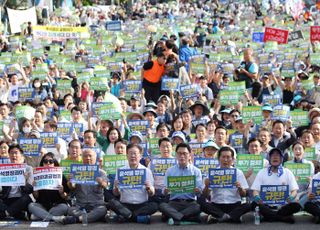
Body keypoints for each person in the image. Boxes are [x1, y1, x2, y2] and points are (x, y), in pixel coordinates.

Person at [107, 144, 158, 224]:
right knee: (111, 203)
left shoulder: (146, 171)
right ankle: (137, 218)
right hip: (125, 205)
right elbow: (115, 193)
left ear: (140, 156)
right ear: (127, 155)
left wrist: (149, 188)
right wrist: (116, 188)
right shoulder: (121, 171)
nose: (132, 156)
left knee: (154, 206)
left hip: (142, 205)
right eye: (130, 153)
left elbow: (152, 193)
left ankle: (127, 217)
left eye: (135, 153)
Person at [201, 146, 251, 224]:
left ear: (233, 159)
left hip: (234, 204)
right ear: (219, 159)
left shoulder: (238, 172)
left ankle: (220, 217)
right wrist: (207, 186)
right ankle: (230, 217)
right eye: (223, 157)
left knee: (247, 205)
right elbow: (205, 195)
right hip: (217, 204)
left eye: (228, 157)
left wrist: (240, 187)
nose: (225, 160)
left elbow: (243, 195)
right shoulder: (213, 173)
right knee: (202, 204)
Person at [251, 148, 301, 223]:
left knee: (297, 206)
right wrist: (258, 198)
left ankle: (269, 217)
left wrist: (291, 197)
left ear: (281, 159)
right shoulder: (262, 172)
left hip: (283, 206)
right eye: (272, 155)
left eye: (277, 155)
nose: (275, 157)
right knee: (254, 204)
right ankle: (282, 218)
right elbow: (255, 190)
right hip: (266, 205)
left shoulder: (287, 172)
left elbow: (294, 190)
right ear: (269, 158)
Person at [159, 143, 203, 225]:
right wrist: (165, 190)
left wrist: (197, 190)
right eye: (179, 153)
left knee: (199, 207)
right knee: (162, 206)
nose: (182, 156)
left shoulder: (196, 171)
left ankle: (174, 217)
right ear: (176, 155)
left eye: (185, 153)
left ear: (189, 155)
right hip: (174, 203)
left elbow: (200, 193)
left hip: (190, 203)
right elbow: (163, 191)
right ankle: (185, 218)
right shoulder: (170, 170)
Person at [63, 149, 108, 224]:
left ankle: (78, 219)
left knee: (103, 209)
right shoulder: (76, 171)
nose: (88, 158)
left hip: (96, 205)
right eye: (85, 156)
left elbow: (105, 186)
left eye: (90, 156)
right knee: (70, 210)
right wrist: (71, 182)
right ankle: (92, 217)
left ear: (95, 157)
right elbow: (72, 187)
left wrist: (101, 182)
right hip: (80, 205)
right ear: (82, 158)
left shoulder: (101, 172)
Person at [28, 153, 70, 223]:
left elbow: (66, 197)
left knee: (65, 207)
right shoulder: (37, 175)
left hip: (57, 206)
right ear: (42, 163)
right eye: (45, 161)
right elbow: (36, 197)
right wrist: (35, 189)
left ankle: (40, 216)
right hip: (42, 205)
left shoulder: (61, 176)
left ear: (54, 163)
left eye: (51, 161)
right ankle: (53, 218)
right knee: (31, 206)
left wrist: (62, 192)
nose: (48, 163)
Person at [0, 144, 33, 220]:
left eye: (16, 153)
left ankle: (4, 214)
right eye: (11, 153)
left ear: (21, 155)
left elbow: (30, 190)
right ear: (9, 155)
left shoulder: (28, 169)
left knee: (26, 198)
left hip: (21, 198)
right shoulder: (4, 169)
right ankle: (16, 214)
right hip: (7, 198)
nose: (13, 155)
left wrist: (24, 182)